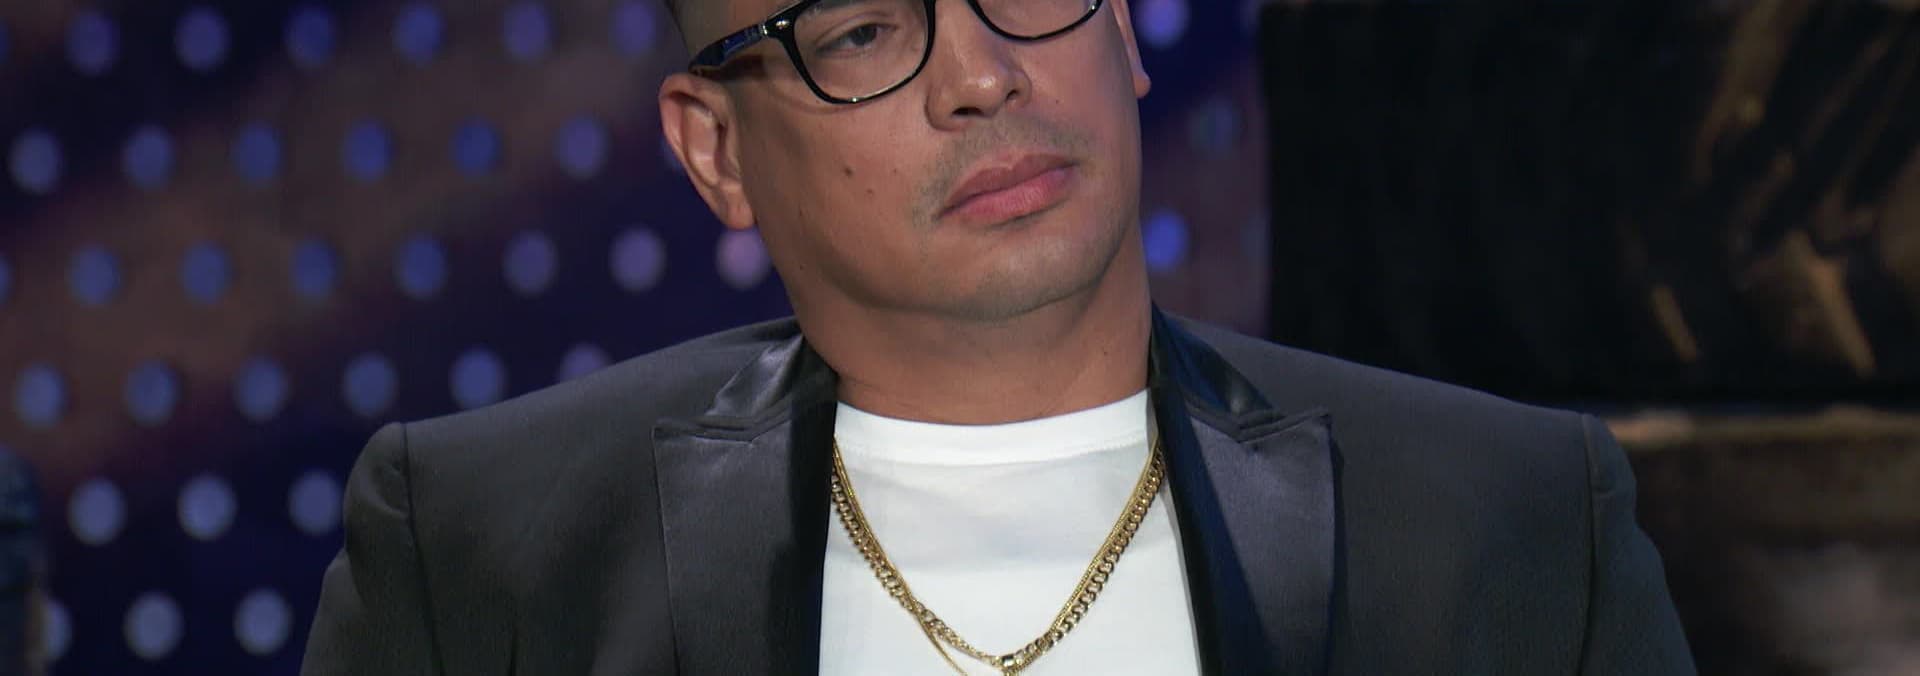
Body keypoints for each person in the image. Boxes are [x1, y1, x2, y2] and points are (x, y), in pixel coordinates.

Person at [301, 0, 1695, 673]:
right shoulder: (484, 551)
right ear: (716, 149)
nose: (982, 76)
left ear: (1128, 33)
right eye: (861, 31)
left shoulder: (1505, 522)